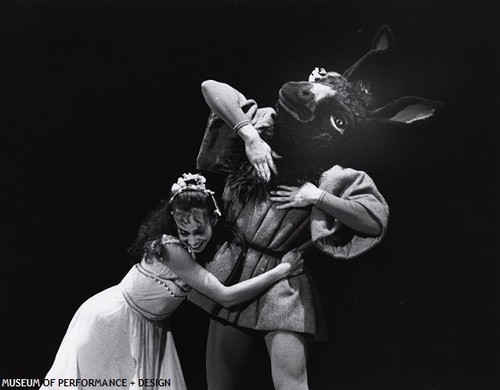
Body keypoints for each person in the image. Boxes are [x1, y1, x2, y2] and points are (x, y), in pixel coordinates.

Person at [188, 76, 390, 390]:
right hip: (235, 270)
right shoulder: (262, 128)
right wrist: (249, 136)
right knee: (220, 384)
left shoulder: (332, 176)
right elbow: (210, 87)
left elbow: (374, 221)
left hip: (284, 280)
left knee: (292, 384)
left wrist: (318, 197)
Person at [40, 173, 303, 390]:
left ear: (213, 219)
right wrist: (281, 271)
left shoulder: (206, 252)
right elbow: (226, 297)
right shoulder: (170, 250)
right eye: (184, 232)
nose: (192, 239)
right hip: (113, 321)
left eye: (199, 231)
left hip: (150, 329)